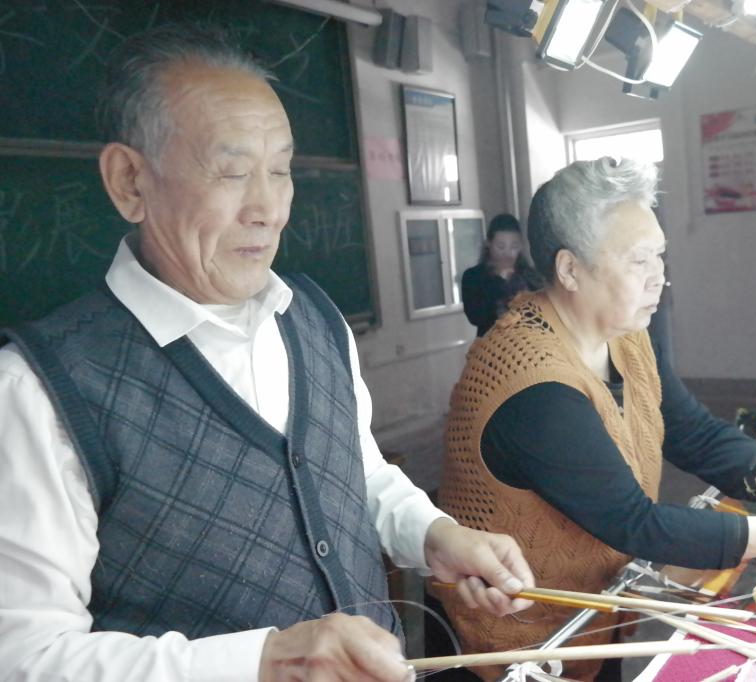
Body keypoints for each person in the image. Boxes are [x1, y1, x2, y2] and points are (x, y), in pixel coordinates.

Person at [0, 24, 534, 682]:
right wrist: (265, 661)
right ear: (130, 182)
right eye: (231, 172)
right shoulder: (39, 391)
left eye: (279, 171)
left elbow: (358, 473)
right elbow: (24, 656)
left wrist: (434, 535)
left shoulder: (314, 318)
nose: (268, 208)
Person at [436, 157, 756, 681]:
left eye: (660, 255)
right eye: (638, 260)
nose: (659, 277)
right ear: (570, 270)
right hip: (515, 640)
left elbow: (691, 431)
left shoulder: (625, 335)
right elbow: (636, 523)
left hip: (591, 613)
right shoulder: (533, 387)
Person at [460, 213, 543, 336]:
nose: (507, 254)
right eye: (501, 246)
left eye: (514, 246)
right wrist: (500, 281)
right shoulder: (473, 277)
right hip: (490, 344)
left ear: (521, 246)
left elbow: (541, 316)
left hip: (526, 343)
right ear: (489, 244)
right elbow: (476, 317)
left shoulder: (531, 276)